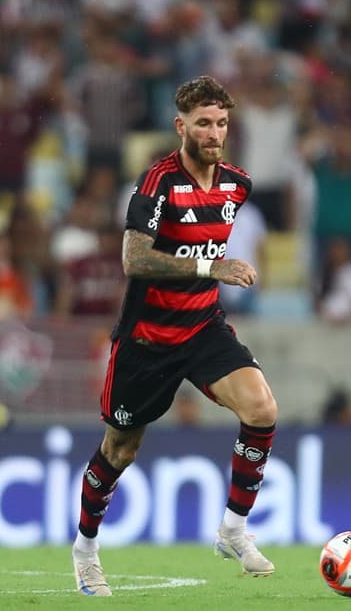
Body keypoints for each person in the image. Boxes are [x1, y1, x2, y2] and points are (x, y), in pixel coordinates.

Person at [73, 76, 276, 596]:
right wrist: (212, 267)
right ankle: (86, 551)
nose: (214, 133)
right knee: (120, 449)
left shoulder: (237, 185)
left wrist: (212, 277)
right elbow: (134, 259)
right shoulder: (156, 182)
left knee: (262, 409)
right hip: (148, 339)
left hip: (203, 327)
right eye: (204, 123)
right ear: (180, 126)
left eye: (222, 123)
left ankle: (233, 530)